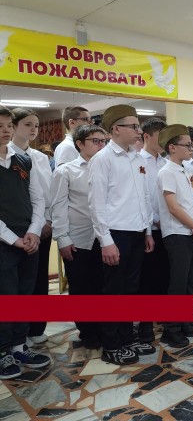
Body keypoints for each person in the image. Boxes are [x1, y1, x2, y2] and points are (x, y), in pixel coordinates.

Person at [88, 104, 156, 365]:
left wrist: (148, 230)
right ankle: (111, 343)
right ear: (116, 129)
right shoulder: (102, 160)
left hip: (137, 232)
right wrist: (106, 241)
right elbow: (97, 204)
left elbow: (145, 197)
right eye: (134, 126)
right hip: (115, 234)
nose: (139, 131)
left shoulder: (136, 158)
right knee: (114, 291)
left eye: (139, 126)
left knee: (131, 289)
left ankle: (127, 337)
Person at [0, 104, 49, 380]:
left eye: (8, 125)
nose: (6, 130)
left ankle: (19, 346)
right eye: (0, 126)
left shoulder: (23, 160)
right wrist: (13, 239)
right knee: (6, 297)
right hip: (5, 241)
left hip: (28, 238)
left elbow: (37, 199)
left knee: (25, 294)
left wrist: (33, 231)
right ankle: (3, 350)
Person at [51, 125, 108, 350]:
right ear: (80, 144)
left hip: (105, 238)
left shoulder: (107, 167)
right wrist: (63, 238)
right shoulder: (66, 171)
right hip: (78, 238)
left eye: (104, 141)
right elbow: (58, 206)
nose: (101, 145)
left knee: (103, 286)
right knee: (82, 288)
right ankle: (87, 331)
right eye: (96, 141)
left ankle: (104, 327)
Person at [9, 108, 53, 346]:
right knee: (14, 284)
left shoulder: (40, 157)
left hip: (41, 226)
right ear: (14, 126)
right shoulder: (7, 155)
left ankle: (35, 328)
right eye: (27, 124)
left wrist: (47, 221)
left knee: (38, 280)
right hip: (13, 229)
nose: (34, 129)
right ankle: (15, 335)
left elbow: (46, 194)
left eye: (36, 124)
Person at [156, 124, 193, 348]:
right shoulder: (166, 171)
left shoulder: (184, 170)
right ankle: (171, 329)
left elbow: (192, 201)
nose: (190, 148)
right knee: (178, 283)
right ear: (172, 147)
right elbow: (173, 207)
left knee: (190, 283)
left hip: (190, 231)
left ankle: (187, 322)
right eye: (186, 145)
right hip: (177, 233)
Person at [137, 117, 169, 343]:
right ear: (146, 136)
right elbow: (143, 198)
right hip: (148, 228)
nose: (165, 142)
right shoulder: (138, 161)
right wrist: (152, 223)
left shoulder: (165, 162)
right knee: (146, 279)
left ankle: (161, 317)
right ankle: (145, 326)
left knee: (163, 276)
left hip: (167, 227)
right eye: (160, 137)